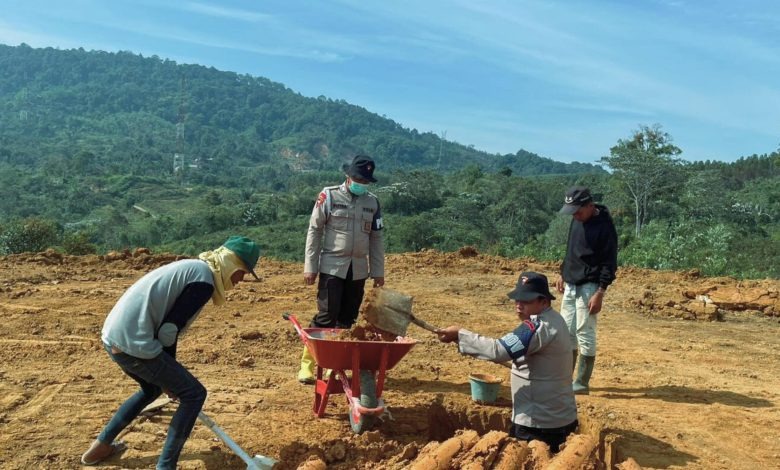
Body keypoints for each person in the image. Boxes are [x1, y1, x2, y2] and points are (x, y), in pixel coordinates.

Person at [81, 236, 261, 469]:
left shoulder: (195, 270)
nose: (241, 280)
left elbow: (166, 327)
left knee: (152, 388)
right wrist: (171, 373)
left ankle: (101, 446)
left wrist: (167, 376)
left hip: (114, 336)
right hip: (134, 343)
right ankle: (166, 466)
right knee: (193, 394)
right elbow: (168, 330)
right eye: (243, 273)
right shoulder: (203, 280)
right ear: (232, 263)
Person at [436, 272, 578, 452]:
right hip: (561, 418)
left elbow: (498, 350)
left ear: (544, 301)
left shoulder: (537, 327)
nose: (519, 305)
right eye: (517, 299)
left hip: (539, 425)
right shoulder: (556, 319)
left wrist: (460, 335)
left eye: (526, 301)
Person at [298, 155, 385, 384]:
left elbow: (376, 238)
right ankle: (308, 364)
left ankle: (333, 365)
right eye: (359, 179)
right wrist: (310, 266)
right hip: (331, 267)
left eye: (366, 181)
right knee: (327, 316)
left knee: (347, 318)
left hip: (358, 270)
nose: (362, 184)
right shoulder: (330, 195)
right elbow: (314, 230)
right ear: (348, 176)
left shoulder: (373, 203)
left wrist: (378, 271)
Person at [556, 186, 618, 395]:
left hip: (590, 286)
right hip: (571, 283)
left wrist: (600, 291)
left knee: (585, 332)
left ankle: (581, 383)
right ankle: (565, 379)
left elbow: (610, 262)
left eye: (578, 211)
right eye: (572, 211)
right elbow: (570, 249)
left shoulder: (605, 227)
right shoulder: (578, 219)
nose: (575, 215)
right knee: (566, 332)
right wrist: (562, 272)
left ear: (590, 206)